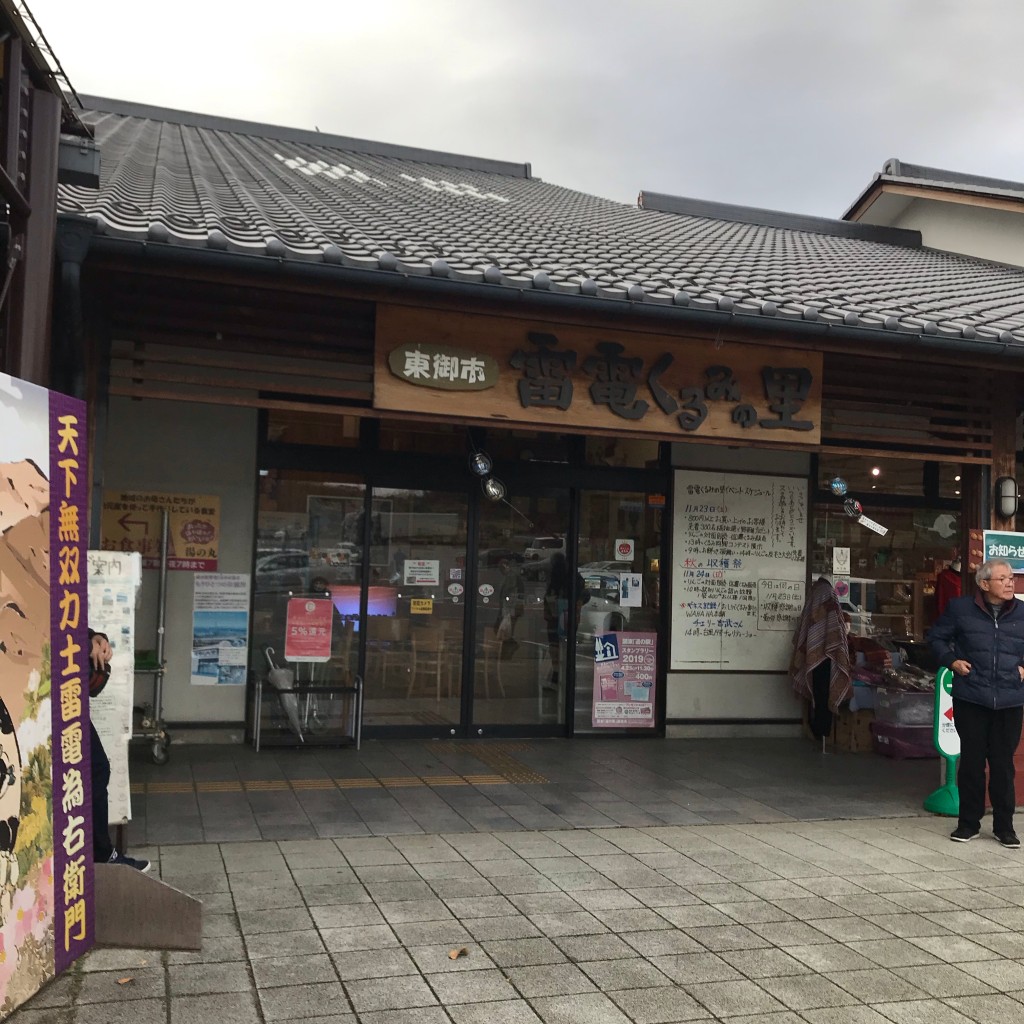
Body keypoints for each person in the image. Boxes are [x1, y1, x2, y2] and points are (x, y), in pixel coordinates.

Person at [927, 559, 1024, 847]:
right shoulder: (960, 610)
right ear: (984, 584)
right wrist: (952, 661)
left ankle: (1004, 827)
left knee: (1003, 764)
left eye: (1012, 578)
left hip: (1009, 699)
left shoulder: (1022, 612)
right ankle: (968, 824)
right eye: (1003, 579)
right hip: (971, 696)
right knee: (971, 762)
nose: (1010, 583)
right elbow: (936, 639)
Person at [88, 629, 151, 872]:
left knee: (95, 769)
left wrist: (94, 637)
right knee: (95, 769)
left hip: (66, 697)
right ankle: (100, 854)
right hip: (48, 698)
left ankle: (98, 853)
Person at [543, 552, 588, 684]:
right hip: (560, 616)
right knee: (557, 645)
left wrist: (578, 602)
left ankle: (562, 671)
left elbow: (585, 594)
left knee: (559, 645)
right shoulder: (557, 578)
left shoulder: (574, 579)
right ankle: (559, 671)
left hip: (564, 615)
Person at [495, 557, 525, 639]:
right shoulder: (511, 576)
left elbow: (508, 592)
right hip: (511, 605)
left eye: (502, 569)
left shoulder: (511, 576)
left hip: (510, 606)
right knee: (508, 627)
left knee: (507, 628)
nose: (501, 572)